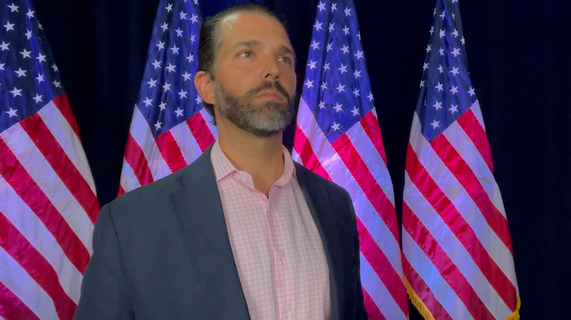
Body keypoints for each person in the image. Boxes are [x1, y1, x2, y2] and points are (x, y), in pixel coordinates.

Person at [74, 3, 367, 320]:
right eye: (247, 54)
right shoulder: (132, 223)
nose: (272, 69)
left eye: (284, 58)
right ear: (207, 86)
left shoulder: (335, 206)